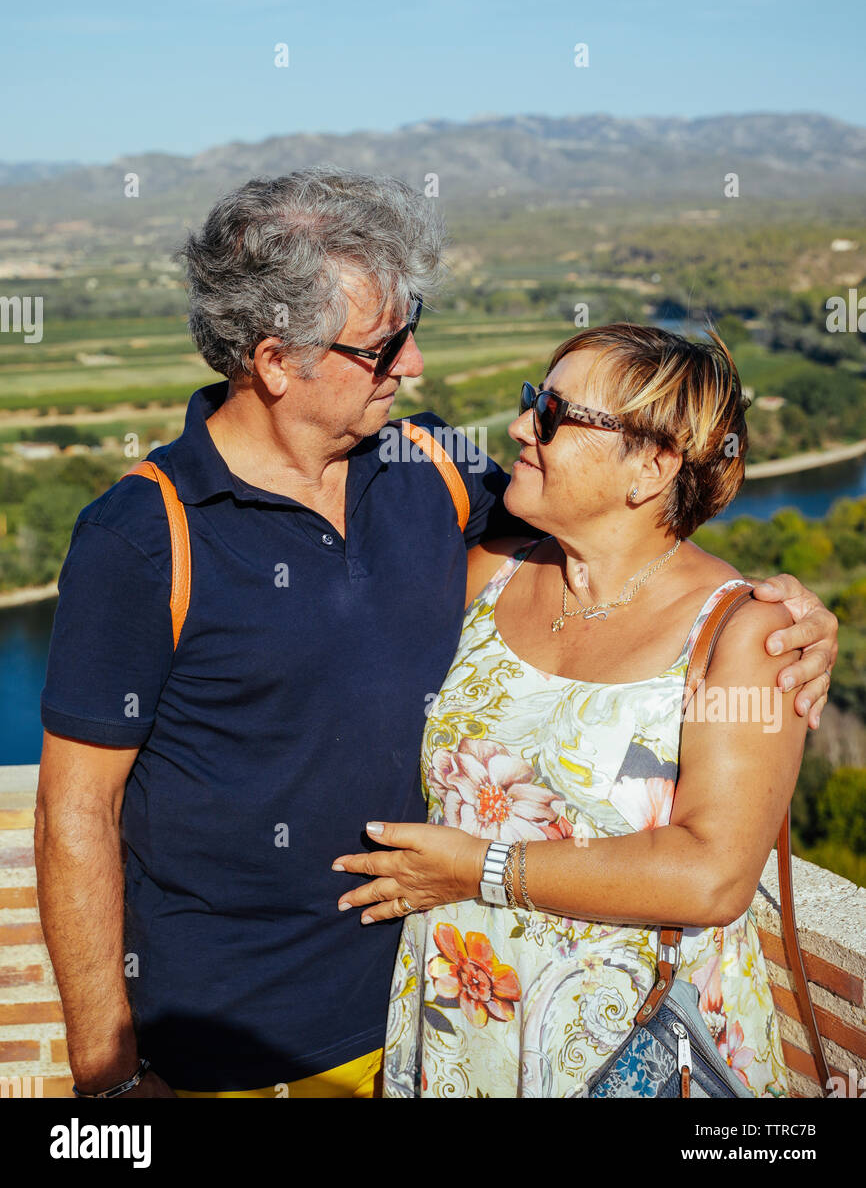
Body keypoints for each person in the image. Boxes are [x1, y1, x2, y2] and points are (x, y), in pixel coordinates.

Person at [35, 170, 835, 1100]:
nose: (413, 366)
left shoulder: (433, 464)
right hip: (247, 1044)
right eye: (384, 348)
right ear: (275, 362)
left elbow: (620, 530)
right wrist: (109, 1080)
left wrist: (770, 610)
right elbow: (74, 816)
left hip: (435, 1017)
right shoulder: (141, 538)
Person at [332, 324, 823, 1098]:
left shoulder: (749, 634)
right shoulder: (493, 569)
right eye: (535, 400)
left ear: (651, 469)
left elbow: (714, 875)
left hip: (635, 1042)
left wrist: (479, 871)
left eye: (555, 412)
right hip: (467, 1019)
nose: (522, 426)